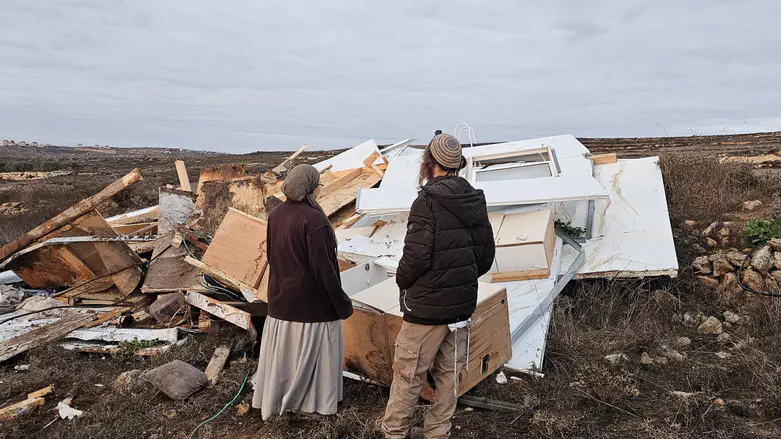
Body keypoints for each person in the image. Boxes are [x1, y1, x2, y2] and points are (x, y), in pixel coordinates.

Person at [382, 134, 495, 438]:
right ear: (457, 165)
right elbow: (486, 256)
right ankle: (437, 433)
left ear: (429, 163)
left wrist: (402, 281)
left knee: (408, 376)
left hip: (427, 310)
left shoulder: (427, 202)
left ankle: (394, 433)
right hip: (460, 306)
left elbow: (415, 257)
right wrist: (461, 279)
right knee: (448, 377)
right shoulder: (474, 199)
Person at [252, 164, 353, 421]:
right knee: (314, 358)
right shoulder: (314, 220)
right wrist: (342, 303)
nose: (319, 190)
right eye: (318, 186)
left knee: (286, 358)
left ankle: (278, 398)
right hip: (312, 307)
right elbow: (324, 270)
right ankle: (311, 402)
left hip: (281, 302)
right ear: (309, 188)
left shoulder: (276, 214)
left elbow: (273, 257)